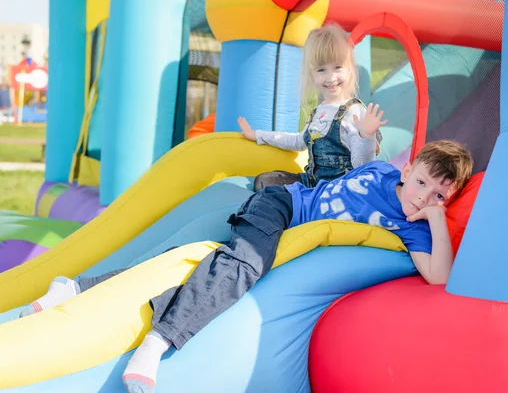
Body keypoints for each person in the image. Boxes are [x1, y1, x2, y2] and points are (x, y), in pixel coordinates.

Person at [20, 139, 473, 393]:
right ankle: (159, 343)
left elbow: (439, 276)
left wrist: (436, 219)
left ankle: (76, 289)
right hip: (279, 205)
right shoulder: (380, 172)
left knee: (189, 266)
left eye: (438, 195)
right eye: (420, 182)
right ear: (407, 168)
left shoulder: (415, 227)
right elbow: (344, 155)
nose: (421, 196)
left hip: (284, 223)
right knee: (242, 266)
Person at [237, 23, 387, 191]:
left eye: (338, 67)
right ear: (312, 74)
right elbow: (297, 141)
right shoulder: (319, 111)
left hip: (341, 188)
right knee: (264, 182)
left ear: (350, 68)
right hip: (313, 182)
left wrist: (366, 136)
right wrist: (257, 134)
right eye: (322, 70)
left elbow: (362, 167)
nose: (331, 78)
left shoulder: (354, 111)